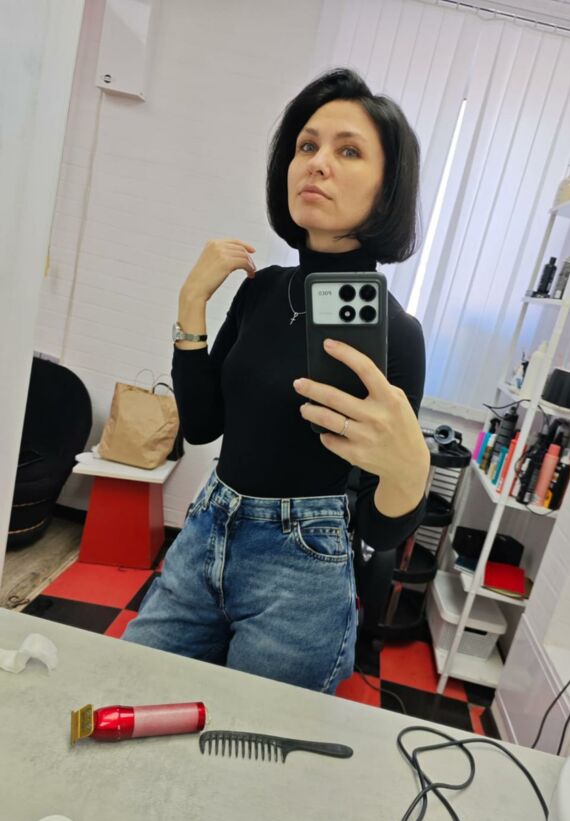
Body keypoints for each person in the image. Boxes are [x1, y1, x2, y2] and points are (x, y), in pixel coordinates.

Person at [122, 67, 430, 695]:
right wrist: (190, 304)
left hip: (303, 567)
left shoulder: (398, 334)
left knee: (253, 742)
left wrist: (410, 472)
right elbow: (203, 426)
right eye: (307, 145)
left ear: (387, 188)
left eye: (349, 151)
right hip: (206, 529)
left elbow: (378, 530)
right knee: (128, 693)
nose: (317, 163)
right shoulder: (261, 291)